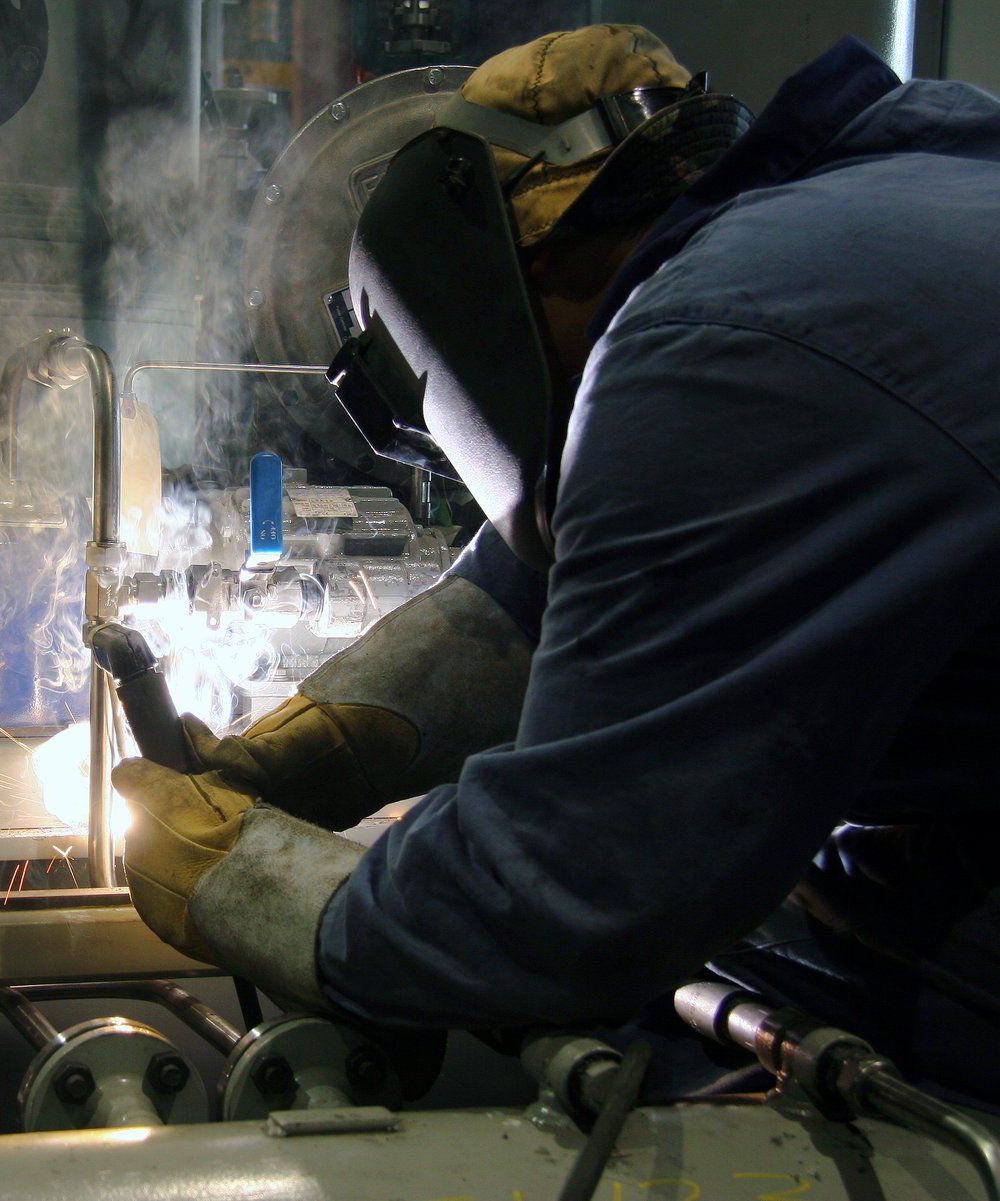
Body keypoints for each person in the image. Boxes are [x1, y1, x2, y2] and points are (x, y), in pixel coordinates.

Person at [113, 23, 1000, 1107]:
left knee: (674, 960)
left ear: (471, 298)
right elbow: (559, 572)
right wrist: (325, 741)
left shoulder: (718, 343)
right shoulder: (881, 203)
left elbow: (572, 890)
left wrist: (257, 890)